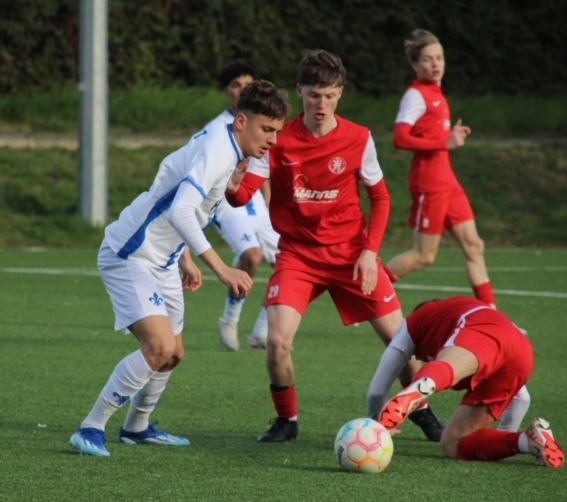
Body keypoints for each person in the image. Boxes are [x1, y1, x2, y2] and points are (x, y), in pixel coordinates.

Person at [226, 49, 444, 443]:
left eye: (329, 95)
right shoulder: (279, 139)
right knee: (276, 341)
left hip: (351, 255)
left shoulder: (359, 138)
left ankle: (423, 413)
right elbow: (243, 195)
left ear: (340, 93)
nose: (321, 104)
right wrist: (232, 188)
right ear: (300, 92)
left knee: (401, 341)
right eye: (313, 95)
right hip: (298, 255)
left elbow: (380, 198)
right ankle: (287, 420)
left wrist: (370, 253)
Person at [69, 80, 289, 457]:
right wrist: (221, 268)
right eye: (267, 129)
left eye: (277, 131)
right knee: (158, 346)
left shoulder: (229, 147)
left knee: (173, 354)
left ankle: (137, 427)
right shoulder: (219, 149)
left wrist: (183, 257)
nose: (272, 139)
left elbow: (173, 184)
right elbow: (180, 209)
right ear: (241, 121)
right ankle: (91, 427)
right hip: (131, 254)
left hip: (165, 258)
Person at [368, 296, 565, 468]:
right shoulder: (457, 311)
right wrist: (502, 439)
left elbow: (377, 391)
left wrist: (377, 429)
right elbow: (522, 399)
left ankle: (426, 382)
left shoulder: (412, 324)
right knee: (452, 444)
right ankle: (528, 442)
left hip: (480, 328)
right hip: (522, 352)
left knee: (449, 366)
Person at [385, 29, 496, 308]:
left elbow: (433, 134)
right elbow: (400, 138)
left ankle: (493, 317)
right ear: (415, 65)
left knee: (474, 246)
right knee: (424, 256)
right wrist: (444, 142)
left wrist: (448, 136)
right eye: (427, 59)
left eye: (439, 58)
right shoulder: (415, 95)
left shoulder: (436, 94)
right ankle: (365, 295)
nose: (435, 64)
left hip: (448, 182)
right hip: (429, 183)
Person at [206, 59, 281, 351]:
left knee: (289, 262)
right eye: (236, 85)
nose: (242, 90)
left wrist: (269, 197)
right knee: (252, 255)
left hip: (256, 202)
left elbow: (261, 162)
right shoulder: (216, 128)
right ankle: (230, 319)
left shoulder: (262, 123)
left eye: (248, 85)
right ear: (227, 91)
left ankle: (261, 331)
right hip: (228, 202)